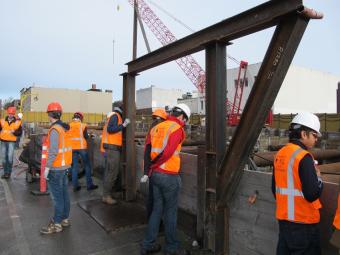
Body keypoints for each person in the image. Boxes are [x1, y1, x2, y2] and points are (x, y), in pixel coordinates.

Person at [141, 103, 190, 255]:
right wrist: (155, 165)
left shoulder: (156, 127)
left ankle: (148, 245)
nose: (185, 123)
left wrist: (149, 169)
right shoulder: (177, 129)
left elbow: (148, 149)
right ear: (182, 116)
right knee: (170, 213)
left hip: (155, 175)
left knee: (157, 210)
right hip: (168, 175)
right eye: (186, 120)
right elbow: (168, 152)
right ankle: (172, 248)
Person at [272, 112, 323, 255]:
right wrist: (319, 178)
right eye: (314, 135)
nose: (316, 140)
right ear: (304, 134)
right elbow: (312, 194)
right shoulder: (304, 157)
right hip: (305, 225)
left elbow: (274, 189)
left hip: (285, 223)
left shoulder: (280, 154)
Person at [40, 102, 72, 234]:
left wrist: (47, 167)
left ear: (49, 114)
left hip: (56, 168)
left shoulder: (54, 130)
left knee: (57, 197)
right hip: (65, 167)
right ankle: (64, 219)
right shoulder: (64, 128)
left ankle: (56, 223)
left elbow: (53, 151)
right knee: (64, 195)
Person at [141, 108, 168, 219]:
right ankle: (155, 222)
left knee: (152, 197)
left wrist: (146, 172)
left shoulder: (152, 129)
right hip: (160, 169)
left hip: (152, 169)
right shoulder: (163, 128)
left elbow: (147, 150)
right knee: (157, 199)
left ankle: (151, 219)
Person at [100, 106, 130, 205]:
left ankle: (106, 194)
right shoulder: (116, 116)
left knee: (110, 172)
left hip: (110, 148)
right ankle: (106, 196)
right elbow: (110, 129)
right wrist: (124, 125)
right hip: (112, 149)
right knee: (112, 173)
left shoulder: (113, 116)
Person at [69, 112, 98, 192]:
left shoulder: (70, 125)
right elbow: (85, 136)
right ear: (80, 118)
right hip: (82, 148)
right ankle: (89, 185)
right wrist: (90, 135)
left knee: (74, 167)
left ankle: (75, 186)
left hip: (72, 149)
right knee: (87, 165)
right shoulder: (83, 125)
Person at [0, 106, 22, 179]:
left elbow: (20, 133)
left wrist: (14, 132)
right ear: (7, 113)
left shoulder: (17, 122)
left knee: (9, 157)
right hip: (3, 141)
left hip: (11, 142)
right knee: (3, 158)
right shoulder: (2, 121)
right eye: (9, 113)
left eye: (12, 114)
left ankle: (8, 173)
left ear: (14, 114)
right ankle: (5, 172)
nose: (10, 115)